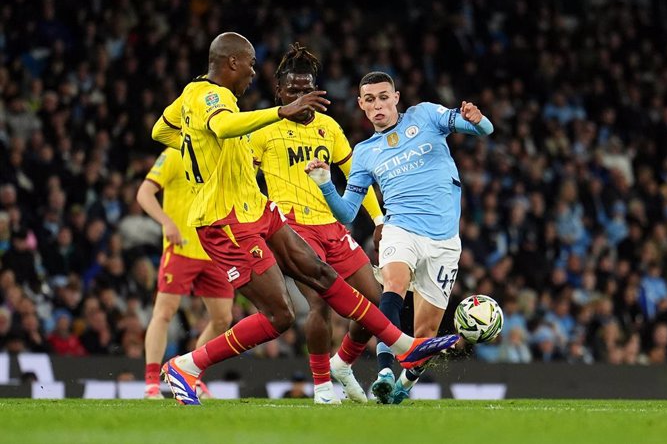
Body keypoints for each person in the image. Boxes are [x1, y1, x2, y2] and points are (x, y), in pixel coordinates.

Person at [152, 32, 459, 405]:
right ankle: (188, 366)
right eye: (249, 63)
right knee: (280, 315)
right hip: (226, 219)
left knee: (324, 276)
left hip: (260, 209)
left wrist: (196, 142)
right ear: (231, 62)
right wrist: (275, 114)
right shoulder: (213, 98)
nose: (253, 71)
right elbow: (221, 126)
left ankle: (404, 346)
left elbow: (161, 130)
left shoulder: (195, 97)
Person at [306, 71, 494, 403]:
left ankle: (402, 387)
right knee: (392, 285)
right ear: (361, 105)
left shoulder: (424, 115)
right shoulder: (363, 152)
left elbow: (484, 130)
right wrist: (324, 183)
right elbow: (348, 212)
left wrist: (478, 120)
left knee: (424, 335)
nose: (377, 105)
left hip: (444, 241)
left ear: (396, 97)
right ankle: (384, 370)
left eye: (383, 97)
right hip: (400, 229)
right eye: (370, 99)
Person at [250, 43, 384, 404]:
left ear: (316, 89)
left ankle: (344, 363)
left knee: (376, 302)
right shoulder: (263, 128)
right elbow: (242, 177)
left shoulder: (328, 127)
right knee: (320, 303)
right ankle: (323, 385)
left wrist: (377, 217)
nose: (299, 95)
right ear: (279, 92)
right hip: (293, 230)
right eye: (292, 89)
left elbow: (356, 175)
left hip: (333, 228)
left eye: (305, 88)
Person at [137, 148, 234, 399]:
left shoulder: (220, 154)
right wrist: (166, 222)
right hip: (180, 248)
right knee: (165, 311)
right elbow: (144, 193)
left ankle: (190, 374)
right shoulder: (174, 154)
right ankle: (151, 383)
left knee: (223, 319)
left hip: (214, 250)